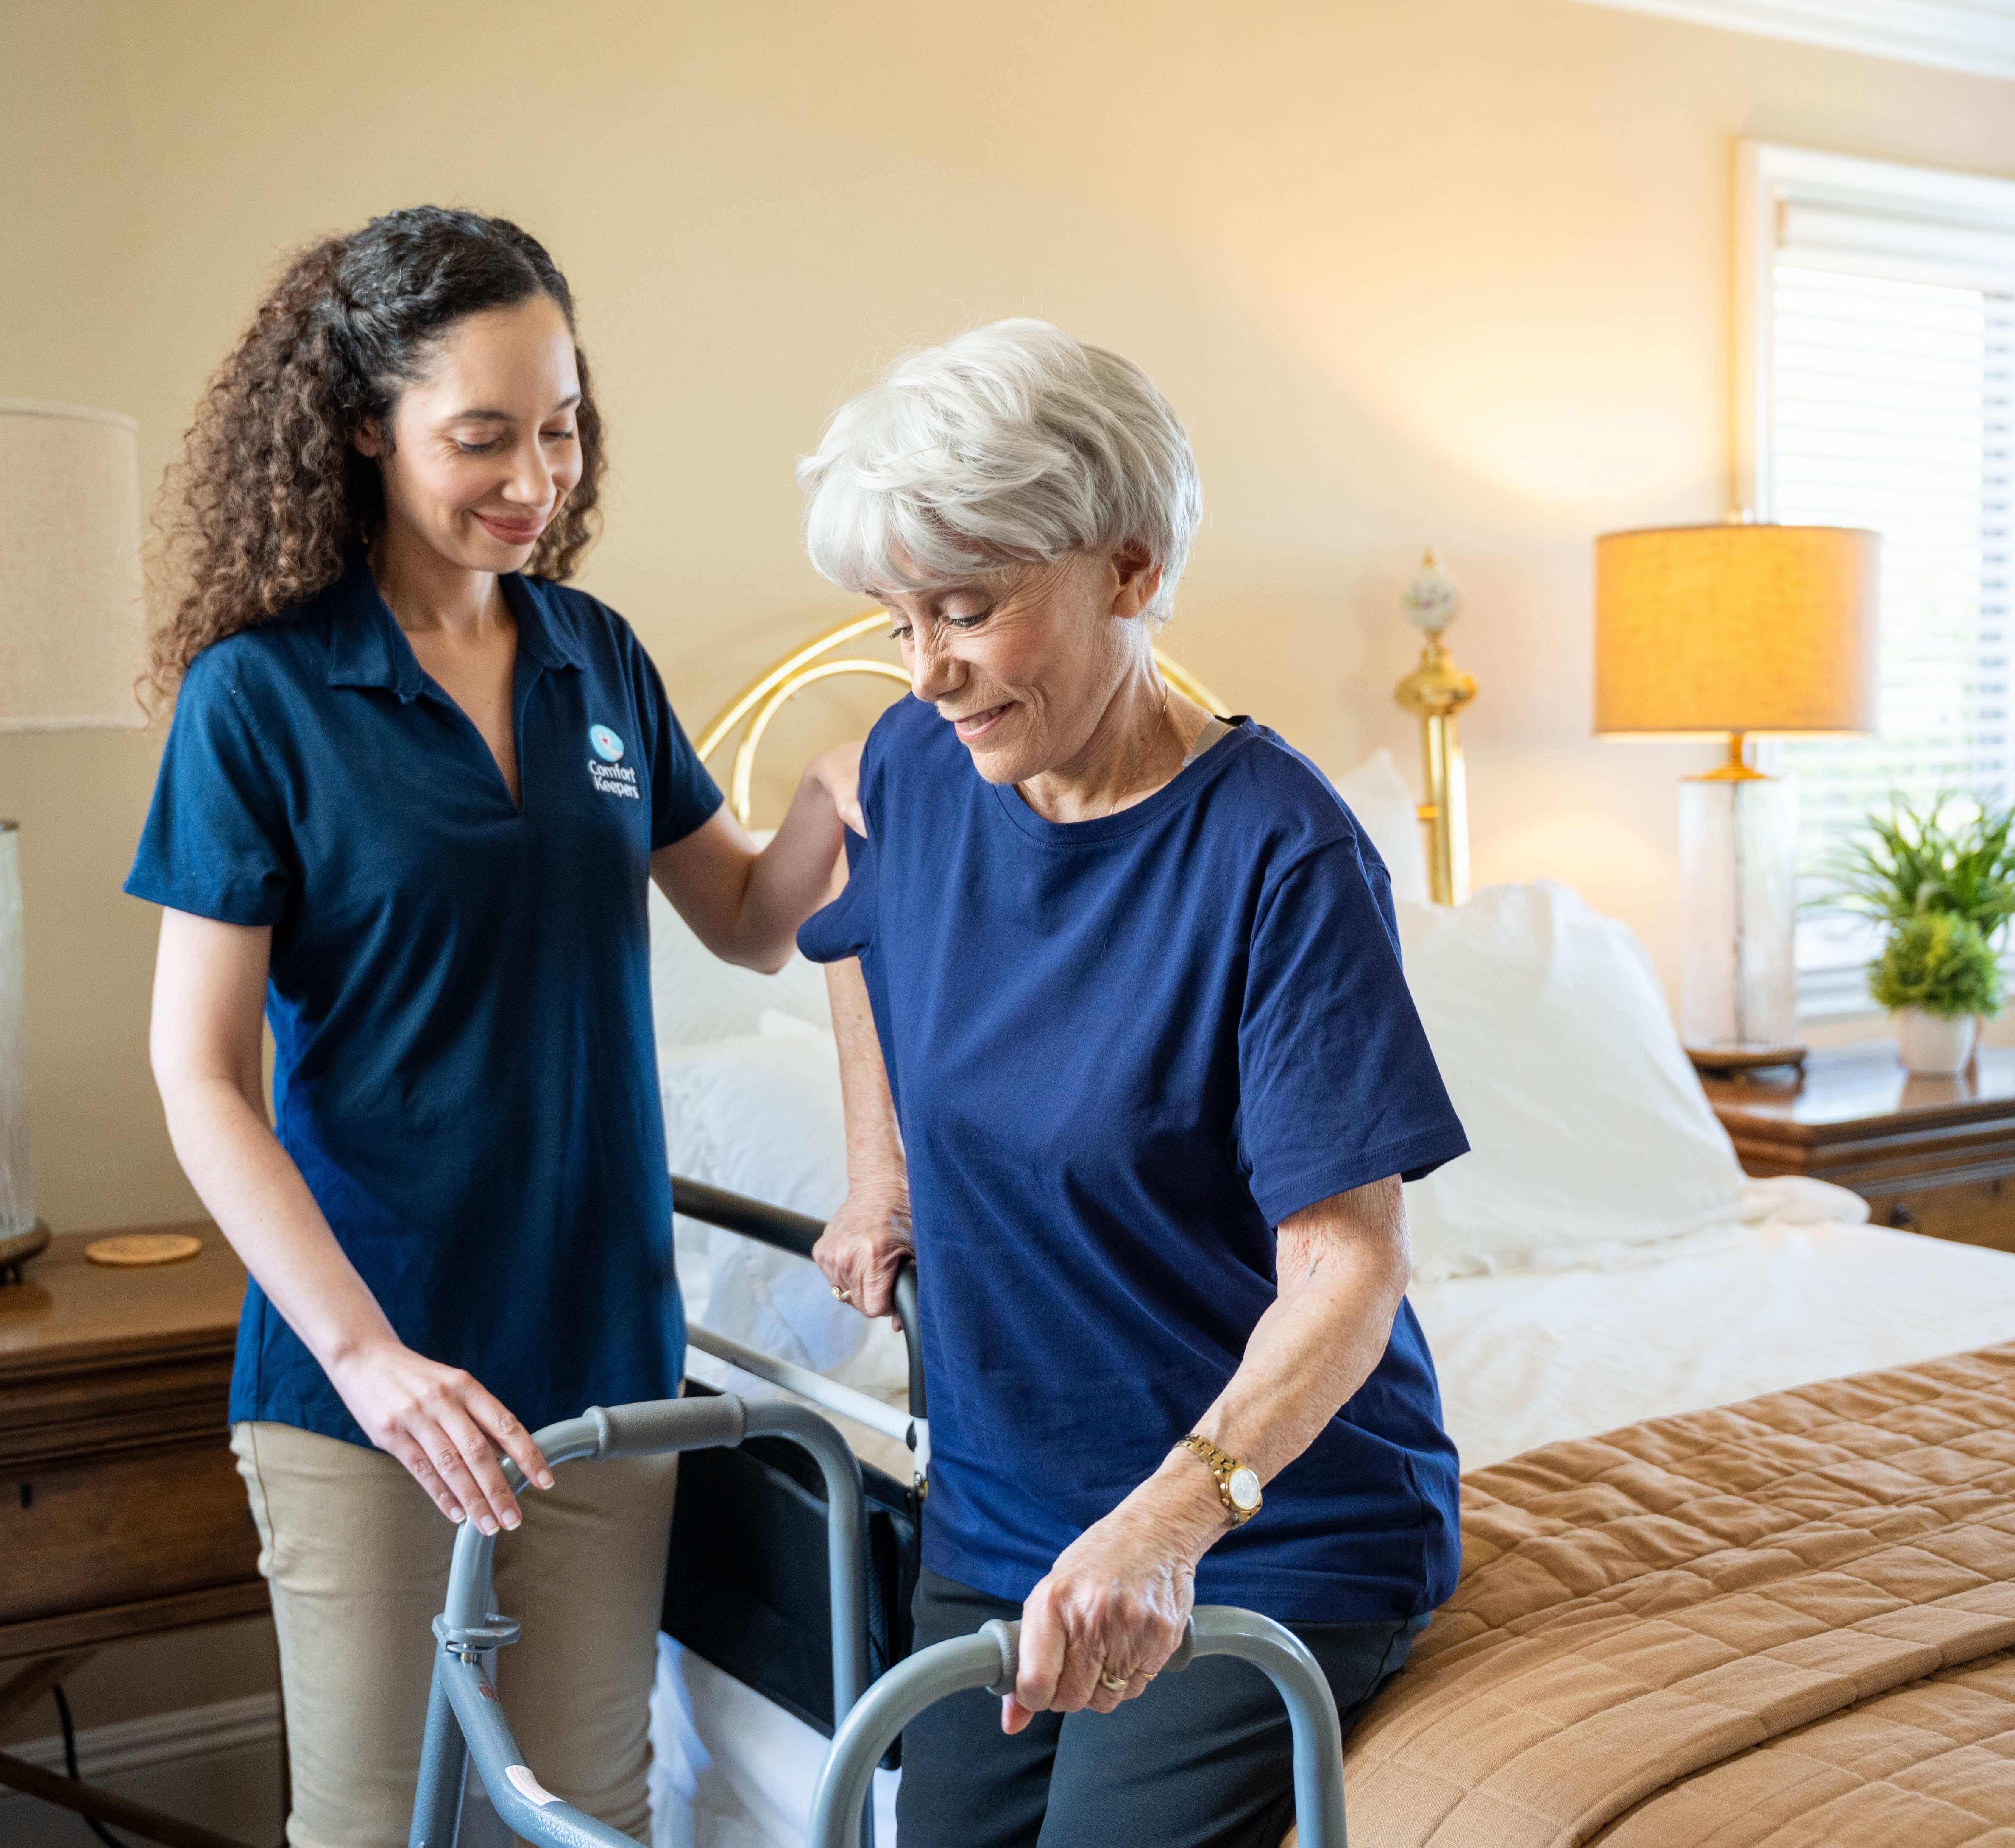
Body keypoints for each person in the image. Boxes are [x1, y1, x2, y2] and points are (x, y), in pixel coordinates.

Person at [128, 206, 858, 1848]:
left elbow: (748, 919)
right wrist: (371, 1362)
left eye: (562, 424)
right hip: (368, 1376)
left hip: (602, 1350)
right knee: (384, 1823)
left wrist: (833, 788)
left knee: (592, 1810)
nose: (536, 475)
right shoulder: (261, 697)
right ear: (360, 429)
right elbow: (197, 1074)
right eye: (483, 437)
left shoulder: (596, 659)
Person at [797, 319, 1467, 1848]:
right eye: (897, 621)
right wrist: (878, 1172)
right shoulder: (914, 765)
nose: (930, 670)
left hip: (1260, 1527)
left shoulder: (1279, 856)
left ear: (1128, 565)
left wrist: (1165, 1529)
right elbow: (852, 930)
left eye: (968, 610)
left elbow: (1349, 1266)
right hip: (995, 1510)